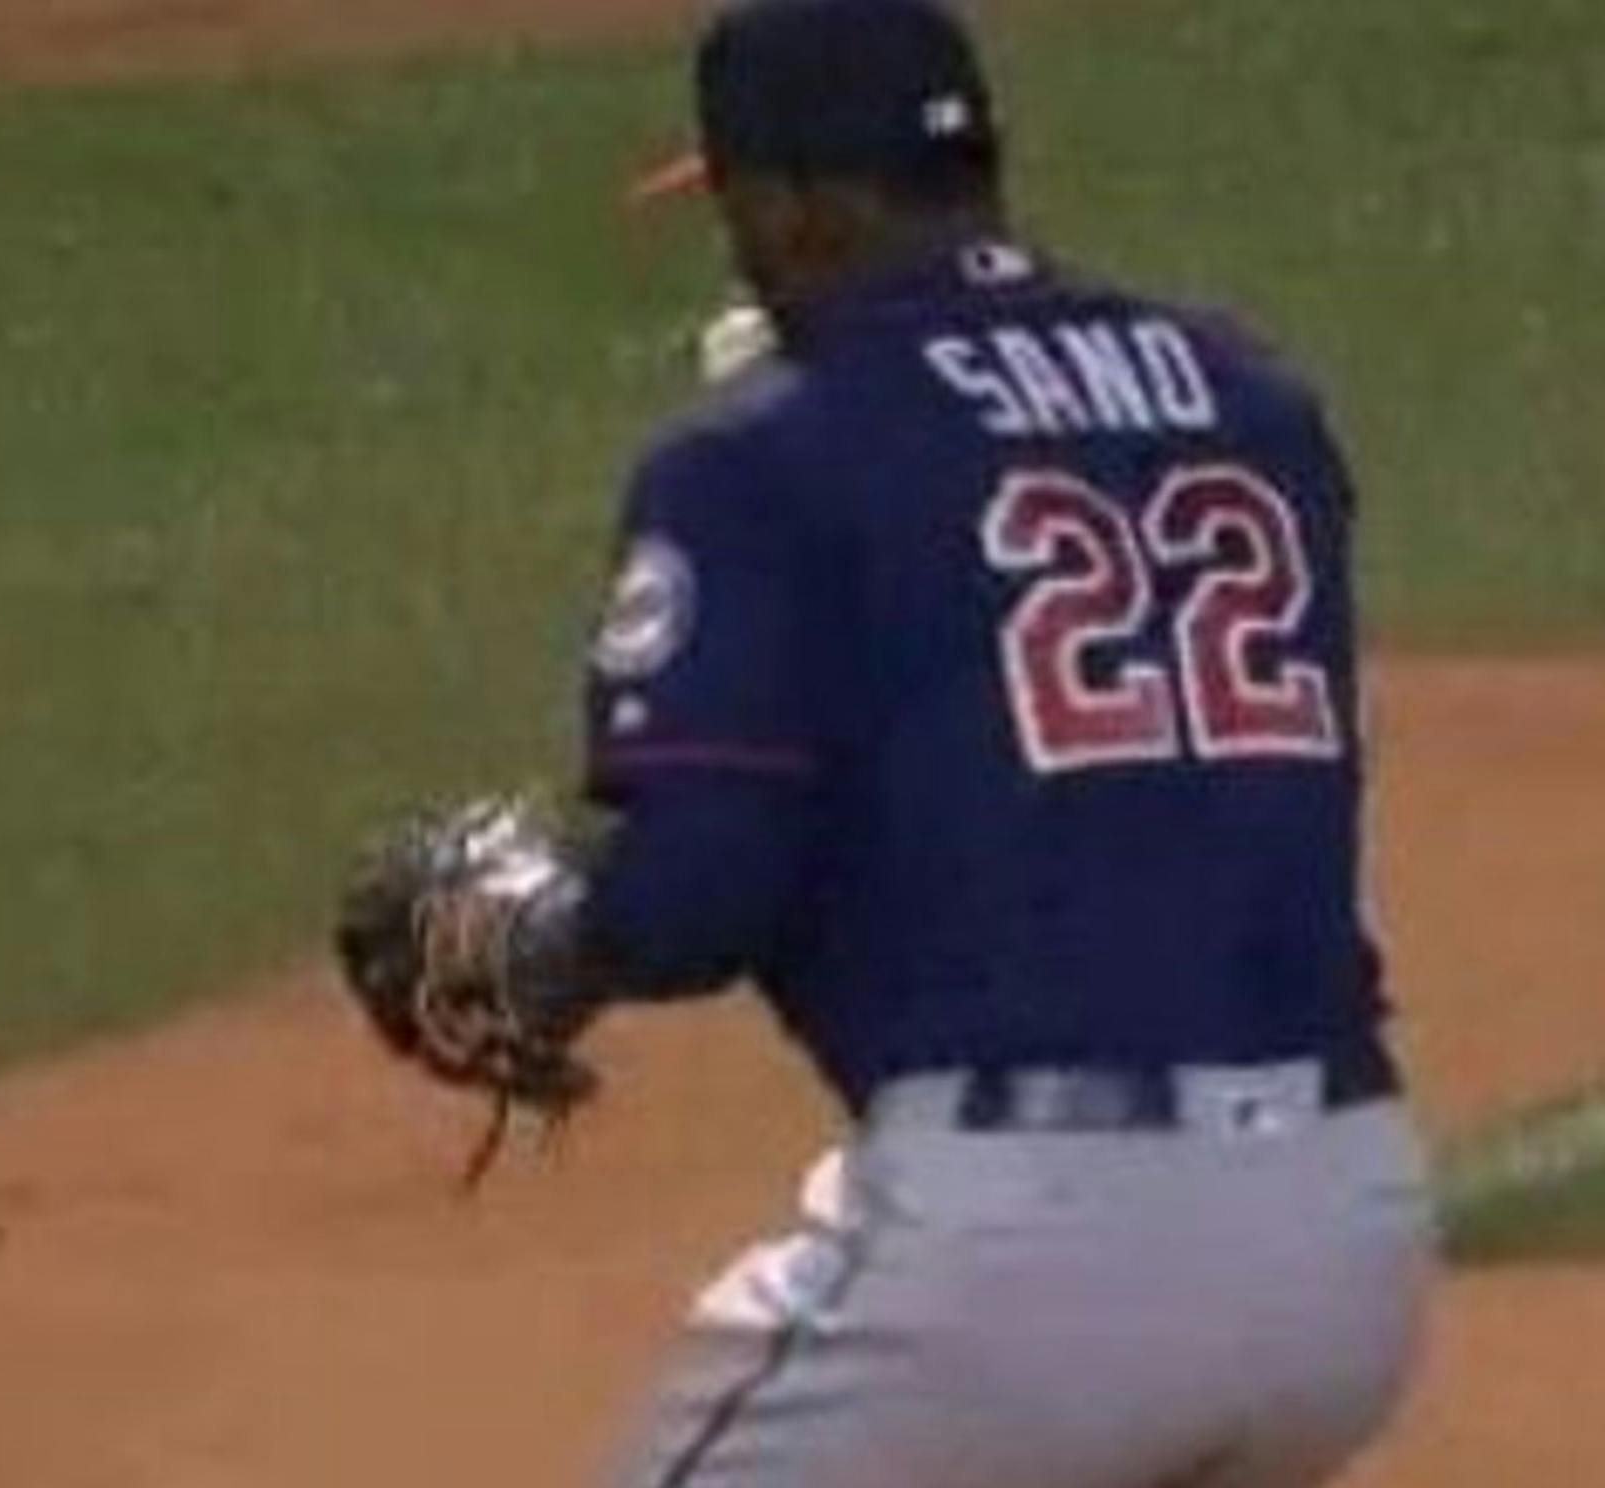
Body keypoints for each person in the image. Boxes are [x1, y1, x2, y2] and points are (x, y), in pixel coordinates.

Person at [336, 0, 1433, 1482]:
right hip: (1345, 1242)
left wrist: (548, 944)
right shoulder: (1257, 403)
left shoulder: (757, 458)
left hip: (1025, 1266)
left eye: (734, 204)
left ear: (797, 205)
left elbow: (703, 895)